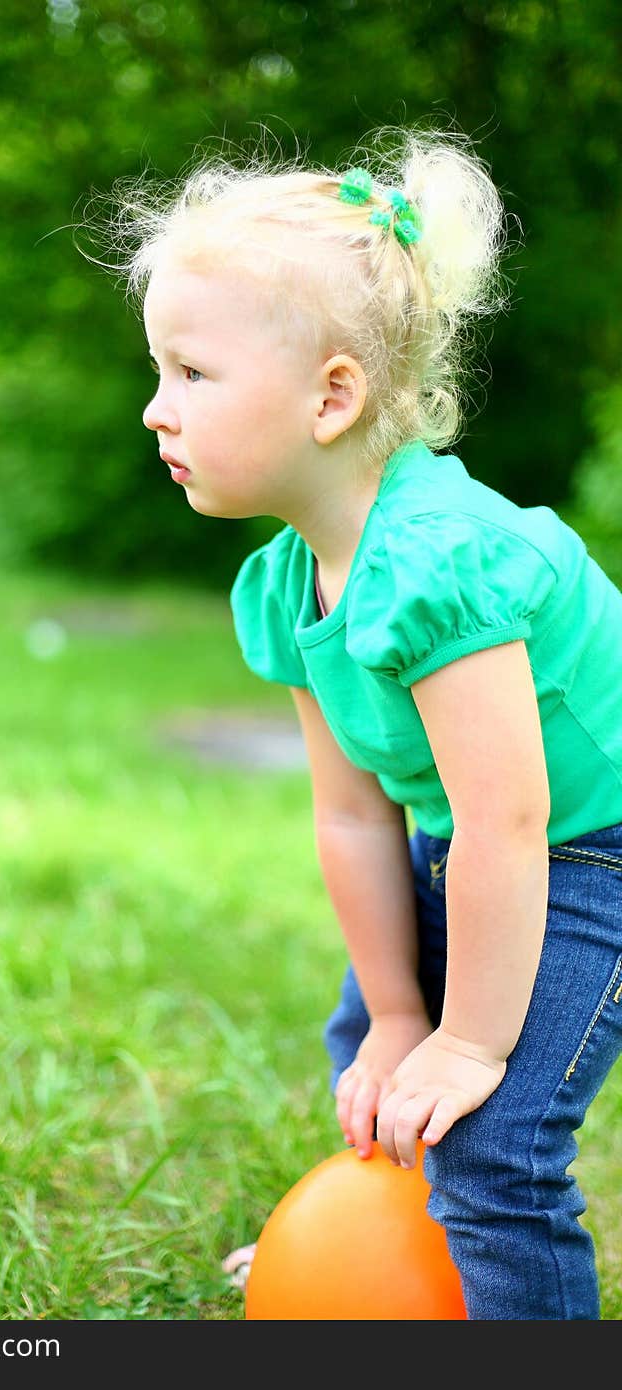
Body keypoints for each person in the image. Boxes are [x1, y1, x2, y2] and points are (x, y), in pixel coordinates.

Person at [92, 124, 622, 1319]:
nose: (153, 409)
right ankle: (367, 1254)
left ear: (332, 396)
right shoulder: (285, 587)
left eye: (189, 373)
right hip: (480, 840)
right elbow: (352, 810)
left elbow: (510, 817)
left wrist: (469, 1042)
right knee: (372, 1045)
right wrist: (397, 1013)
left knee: (488, 1134)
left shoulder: (443, 562)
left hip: (593, 848)